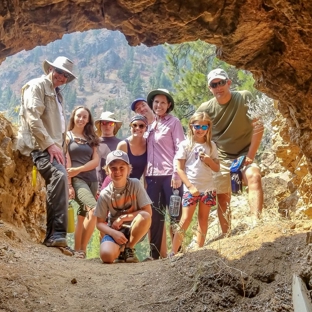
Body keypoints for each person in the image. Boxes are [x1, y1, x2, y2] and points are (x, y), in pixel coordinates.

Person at [16, 56, 76, 247]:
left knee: (59, 178)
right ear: (50, 68)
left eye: (66, 75)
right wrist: (49, 144)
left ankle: (55, 236)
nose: (62, 77)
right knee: (58, 177)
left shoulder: (58, 94)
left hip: (54, 147)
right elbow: (32, 117)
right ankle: (56, 235)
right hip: (39, 146)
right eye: (60, 72)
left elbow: (59, 128)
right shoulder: (36, 86)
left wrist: (60, 149)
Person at [196, 68, 264, 234]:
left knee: (254, 176)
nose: (218, 87)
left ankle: (257, 225)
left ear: (229, 83)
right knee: (223, 196)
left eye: (221, 83)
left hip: (244, 155)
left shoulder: (244, 97)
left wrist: (250, 156)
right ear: (209, 88)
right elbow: (195, 134)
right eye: (214, 84)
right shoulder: (206, 109)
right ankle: (227, 235)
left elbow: (258, 126)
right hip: (222, 159)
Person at [170, 112, 220, 255]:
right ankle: (173, 252)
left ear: (208, 128)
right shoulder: (185, 145)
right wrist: (190, 187)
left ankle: (199, 250)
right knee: (185, 219)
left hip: (208, 188)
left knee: (203, 219)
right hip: (190, 188)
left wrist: (209, 161)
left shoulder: (211, 146)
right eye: (197, 126)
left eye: (204, 126)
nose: (200, 129)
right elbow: (179, 168)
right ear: (191, 126)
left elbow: (217, 167)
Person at [146, 88, 185, 259]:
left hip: (171, 175)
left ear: (169, 105)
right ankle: (155, 255)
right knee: (154, 216)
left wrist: (177, 174)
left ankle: (177, 252)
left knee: (175, 214)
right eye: (156, 102)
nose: (159, 105)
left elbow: (181, 148)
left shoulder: (174, 122)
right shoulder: (149, 125)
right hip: (152, 177)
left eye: (163, 102)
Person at [94, 150, 152, 264]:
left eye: (122, 168)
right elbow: (99, 223)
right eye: (113, 168)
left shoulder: (135, 184)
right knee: (107, 256)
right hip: (114, 231)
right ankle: (120, 251)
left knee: (144, 216)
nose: (117, 172)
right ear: (107, 171)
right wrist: (114, 233)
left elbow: (148, 212)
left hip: (135, 229)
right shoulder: (105, 194)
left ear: (128, 170)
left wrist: (123, 218)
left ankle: (129, 248)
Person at [66, 106, 100, 258]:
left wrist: (79, 169)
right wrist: (69, 184)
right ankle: (83, 250)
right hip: (77, 180)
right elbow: (66, 161)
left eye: (84, 117)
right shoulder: (67, 136)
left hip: (92, 179)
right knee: (93, 209)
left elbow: (96, 160)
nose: (81, 119)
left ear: (88, 120)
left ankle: (78, 249)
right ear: (73, 116)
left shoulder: (91, 138)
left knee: (83, 214)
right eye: (78, 116)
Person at [94, 111, 122, 190]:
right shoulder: (94, 143)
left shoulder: (121, 144)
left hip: (115, 188)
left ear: (115, 125)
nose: (107, 126)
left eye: (111, 123)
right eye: (104, 123)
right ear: (100, 125)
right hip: (95, 188)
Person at [116, 114, 148, 181]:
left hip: (136, 185)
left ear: (146, 129)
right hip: (120, 182)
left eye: (141, 126)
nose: (137, 128)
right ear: (130, 127)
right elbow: (116, 169)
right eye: (134, 125)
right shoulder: (123, 145)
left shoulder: (148, 145)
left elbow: (146, 171)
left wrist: (145, 189)